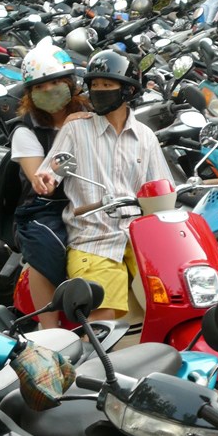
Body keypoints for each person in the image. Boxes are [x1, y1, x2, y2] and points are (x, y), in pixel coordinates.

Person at [36, 50, 173, 322]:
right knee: (105, 320)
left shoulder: (145, 137)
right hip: (93, 239)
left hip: (138, 240)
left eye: (107, 85)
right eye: (95, 85)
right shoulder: (76, 130)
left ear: (127, 90)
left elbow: (161, 191)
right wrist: (47, 179)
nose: (99, 91)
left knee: (176, 296)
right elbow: (50, 172)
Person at [12, 44, 90, 329]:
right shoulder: (26, 131)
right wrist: (68, 131)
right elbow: (41, 182)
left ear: (71, 84)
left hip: (92, 199)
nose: (52, 89)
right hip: (45, 207)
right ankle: (49, 327)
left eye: (58, 82)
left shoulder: (92, 115)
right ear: (31, 93)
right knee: (46, 246)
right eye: (43, 85)